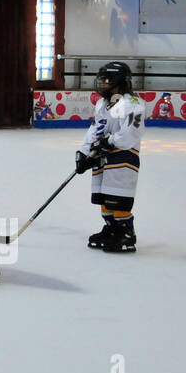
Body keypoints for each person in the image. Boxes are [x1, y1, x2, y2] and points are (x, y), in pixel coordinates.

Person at [75, 61, 144, 253]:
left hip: (123, 157)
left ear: (118, 82)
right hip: (102, 157)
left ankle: (126, 234)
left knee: (118, 197)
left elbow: (132, 133)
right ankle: (112, 229)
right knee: (104, 198)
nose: (102, 84)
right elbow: (95, 129)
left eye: (107, 80)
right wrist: (83, 151)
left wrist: (110, 141)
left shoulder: (133, 104)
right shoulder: (102, 104)